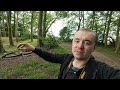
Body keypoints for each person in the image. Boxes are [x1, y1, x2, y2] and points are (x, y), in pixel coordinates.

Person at [17, 28, 120, 79]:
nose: (80, 46)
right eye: (77, 41)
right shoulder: (67, 58)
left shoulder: (99, 70)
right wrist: (34, 49)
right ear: (72, 43)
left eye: (87, 42)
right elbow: (50, 56)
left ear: (94, 48)